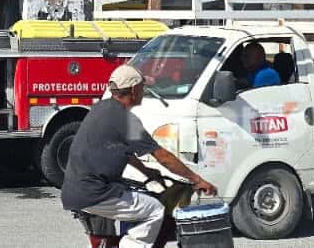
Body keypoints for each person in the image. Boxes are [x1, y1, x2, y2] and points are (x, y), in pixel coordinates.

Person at [61, 65, 217, 248]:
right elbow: (162, 156)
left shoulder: (101, 108)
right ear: (134, 90)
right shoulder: (127, 120)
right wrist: (197, 179)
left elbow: (120, 150)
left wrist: (146, 170)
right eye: (143, 88)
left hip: (74, 190)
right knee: (155, 210)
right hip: (95, 192)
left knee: (138, 203)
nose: (144, 92)